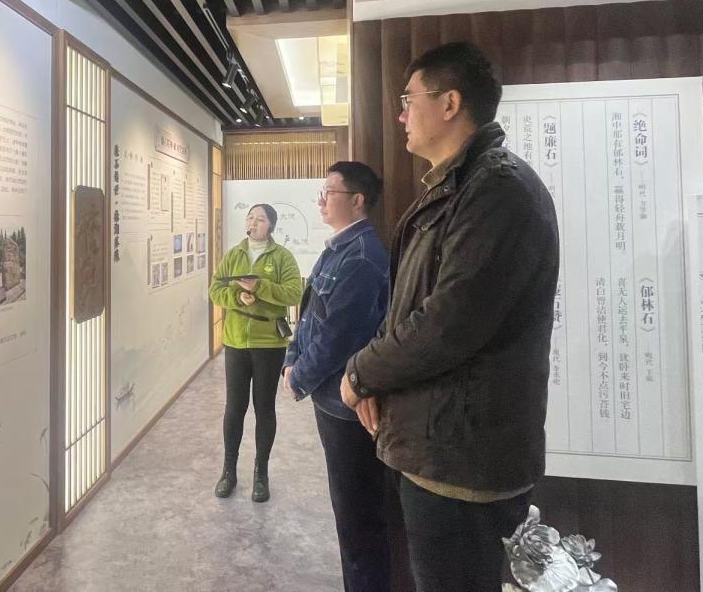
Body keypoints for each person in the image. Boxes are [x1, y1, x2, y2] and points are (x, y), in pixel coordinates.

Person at [341, 42, 560, 592]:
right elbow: (408, 307)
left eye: (408, 100)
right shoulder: (454, 188)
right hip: (437, 448)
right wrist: (376, 376)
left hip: (463, 461)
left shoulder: (496, 190)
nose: (401, 115)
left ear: (449, 103)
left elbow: (447, 324)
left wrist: (361, 373)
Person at [282, 162, 391, 592]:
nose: (321, 200)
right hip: (329, 398)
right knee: (347, 511)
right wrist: (291, 359)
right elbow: (310, 312)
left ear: (357, 200)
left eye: (329, 192)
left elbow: (337, 335)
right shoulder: (338, 248)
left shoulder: (362, 257)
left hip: (347, 406)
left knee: (358, 518)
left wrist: (298, 376)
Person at [209, 203, 302, 502]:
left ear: (271, 225)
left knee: (264, 408)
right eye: (250, 217)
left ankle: (261, 474)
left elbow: (294, 293)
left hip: (269, 344)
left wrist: (260, 288)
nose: (253, 222)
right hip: (236, 341)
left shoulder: (282, 257)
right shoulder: (234, 254)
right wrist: (238, 297)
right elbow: (214, 290)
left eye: (260, 219)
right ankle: (228, 471)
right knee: (234, 408)